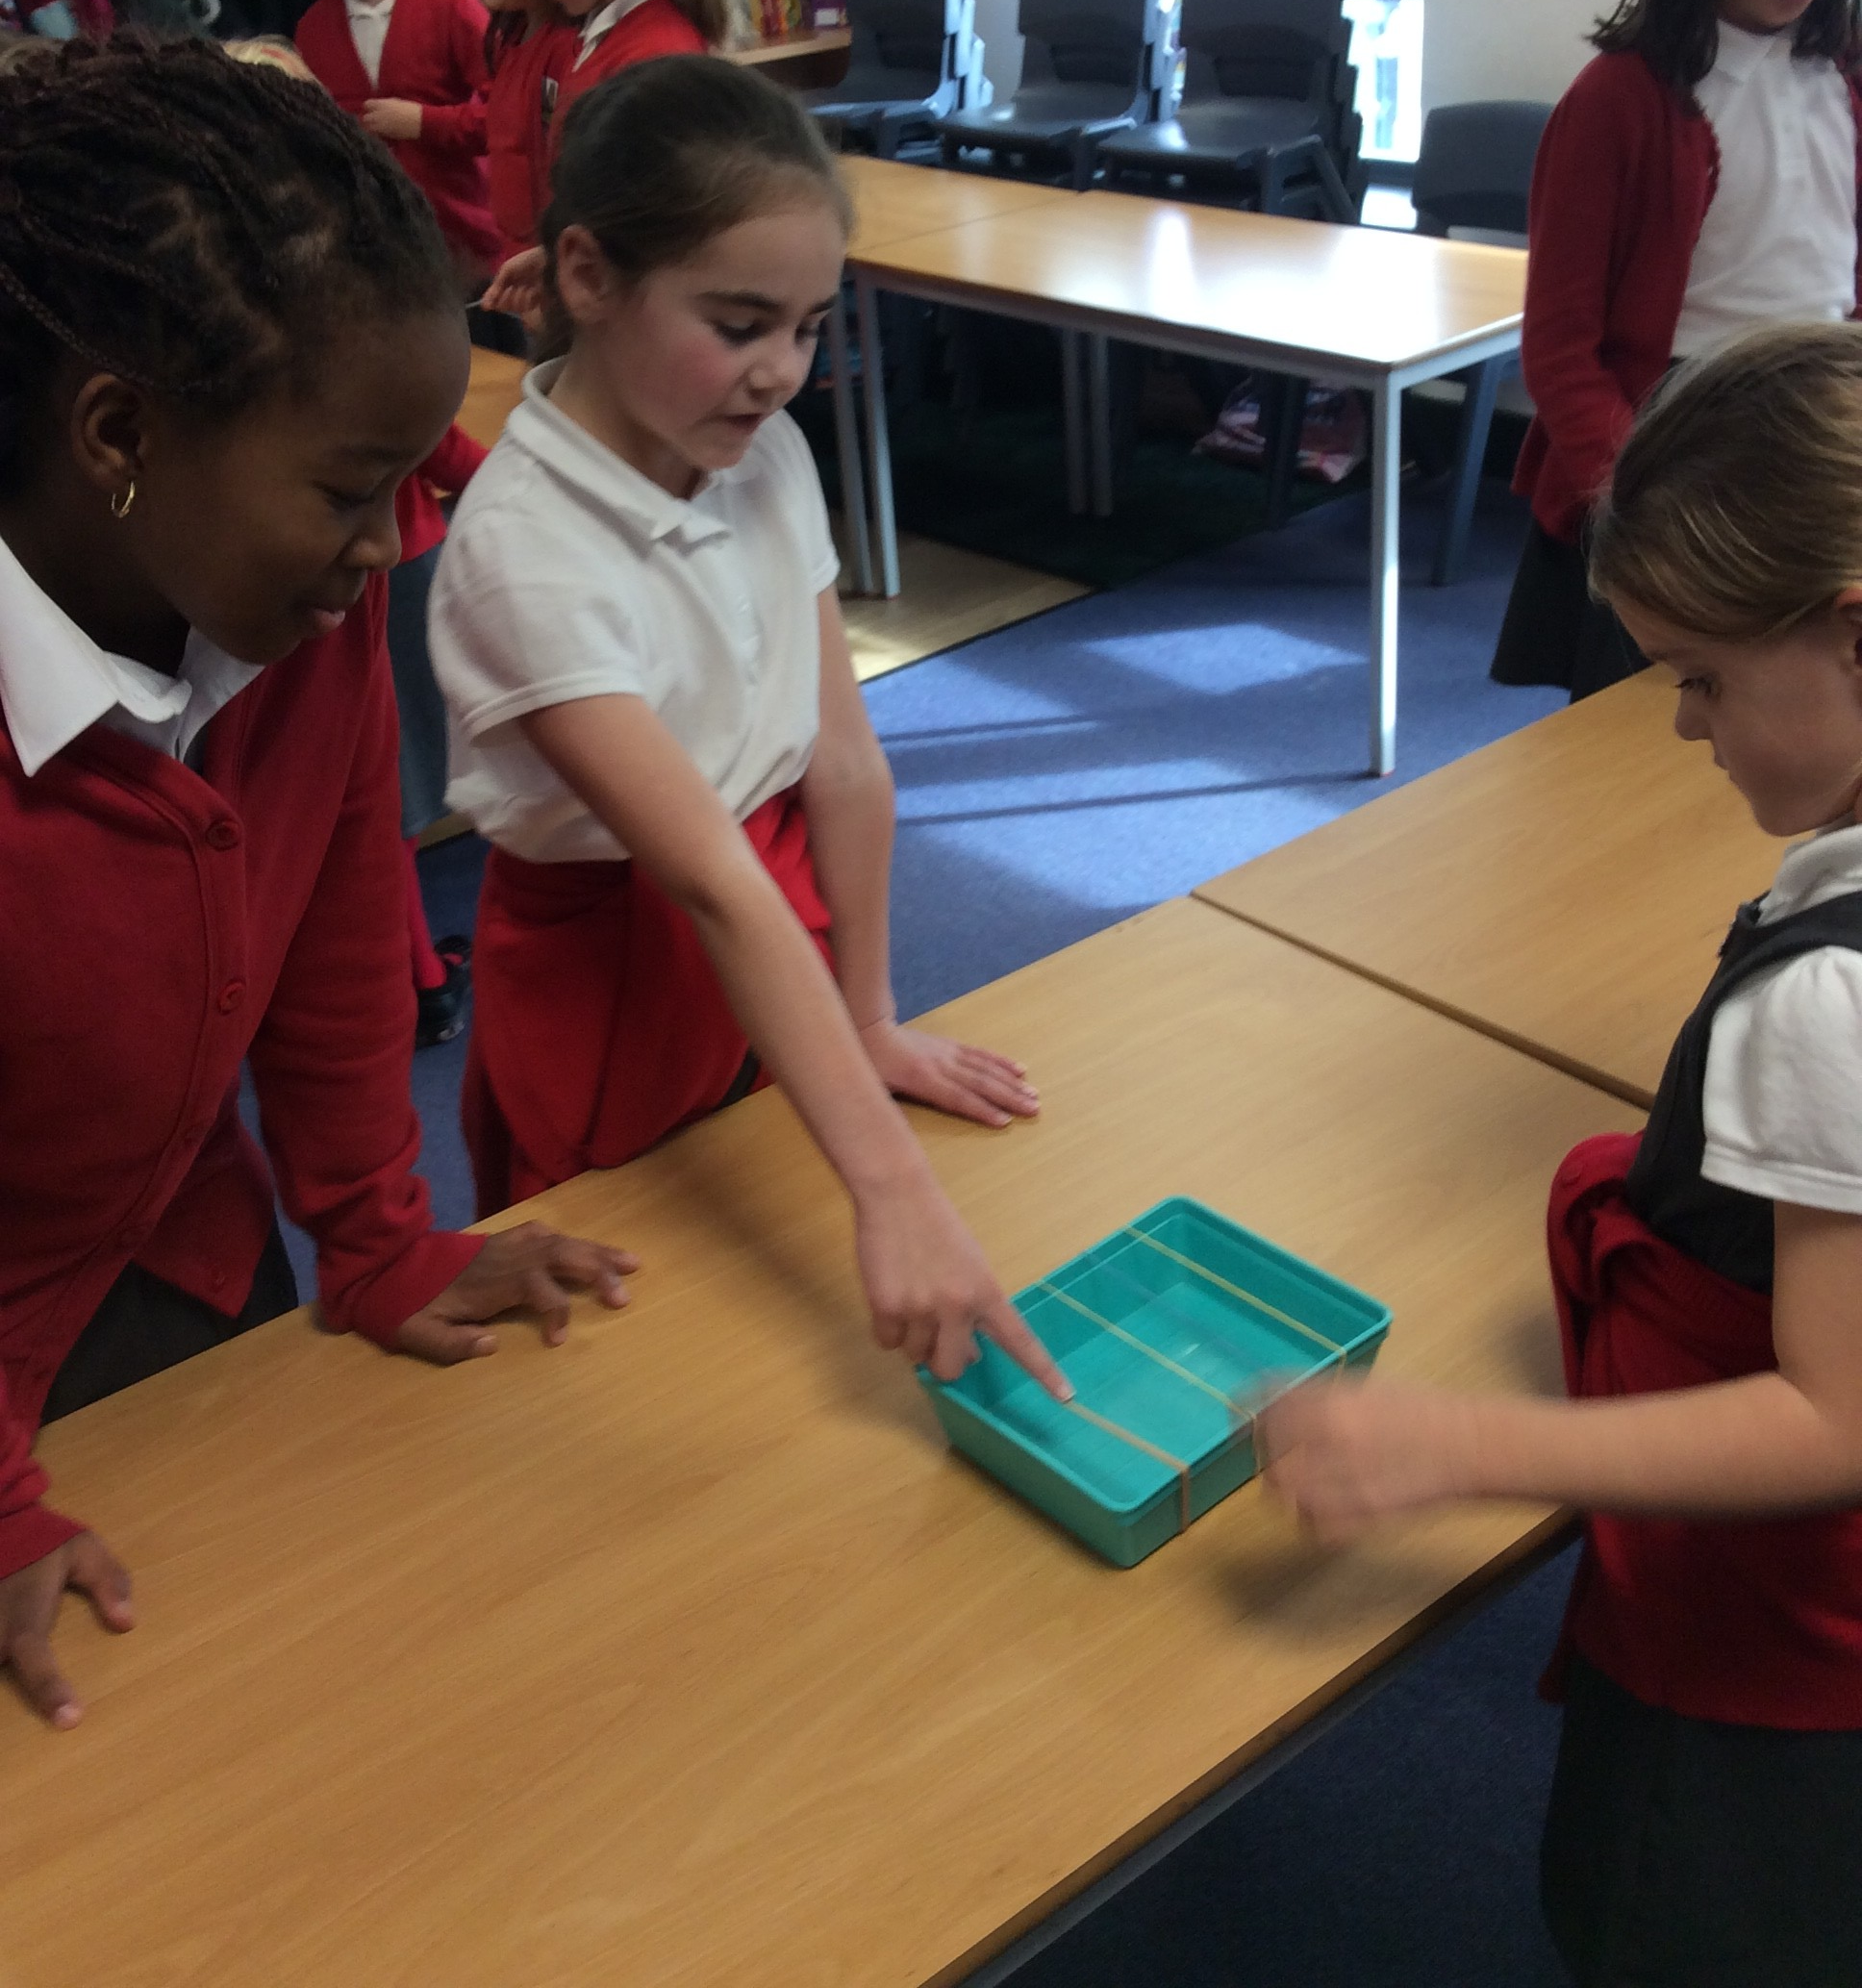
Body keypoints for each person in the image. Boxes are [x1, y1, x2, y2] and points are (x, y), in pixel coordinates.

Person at [0, 36, 632, 1731]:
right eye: (355, 492)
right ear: (118, 433)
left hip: (180, 1268)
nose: (390, 545)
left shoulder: (302, 628)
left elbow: (344, 951)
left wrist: (374, 1236)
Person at [1263, 321, 1862, 1986]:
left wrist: (1454, 1438)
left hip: (1769, 1680)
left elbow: (1837, 1418)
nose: (1684, 725)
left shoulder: (1829, 1002)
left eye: (1702, 678)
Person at [429, 56, 1069, 1400]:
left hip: (779, 934)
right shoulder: (525, 549)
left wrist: (868, 1015)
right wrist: (892, 1187)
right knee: (636, 1333)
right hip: (617, 972)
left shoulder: (757, 448)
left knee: (773, 1248)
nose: (781, 373)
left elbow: (843, 760)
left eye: (808, 326)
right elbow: (709, 880)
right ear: (588, 275)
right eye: (738, 325)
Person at [1491, 0, 1862, 701]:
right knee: (1654, 712)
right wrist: (1641, 491)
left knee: (1810, 697)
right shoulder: (1616, 96)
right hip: (1671, 441)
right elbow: (1559, 349)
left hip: (1818, 424)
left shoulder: (1844, 78)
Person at [293, 0, 503, 284]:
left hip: (465, 243)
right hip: (366, 258)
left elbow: (513, 118)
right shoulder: (314, 26)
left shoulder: (453, 9)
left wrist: (423, 122)